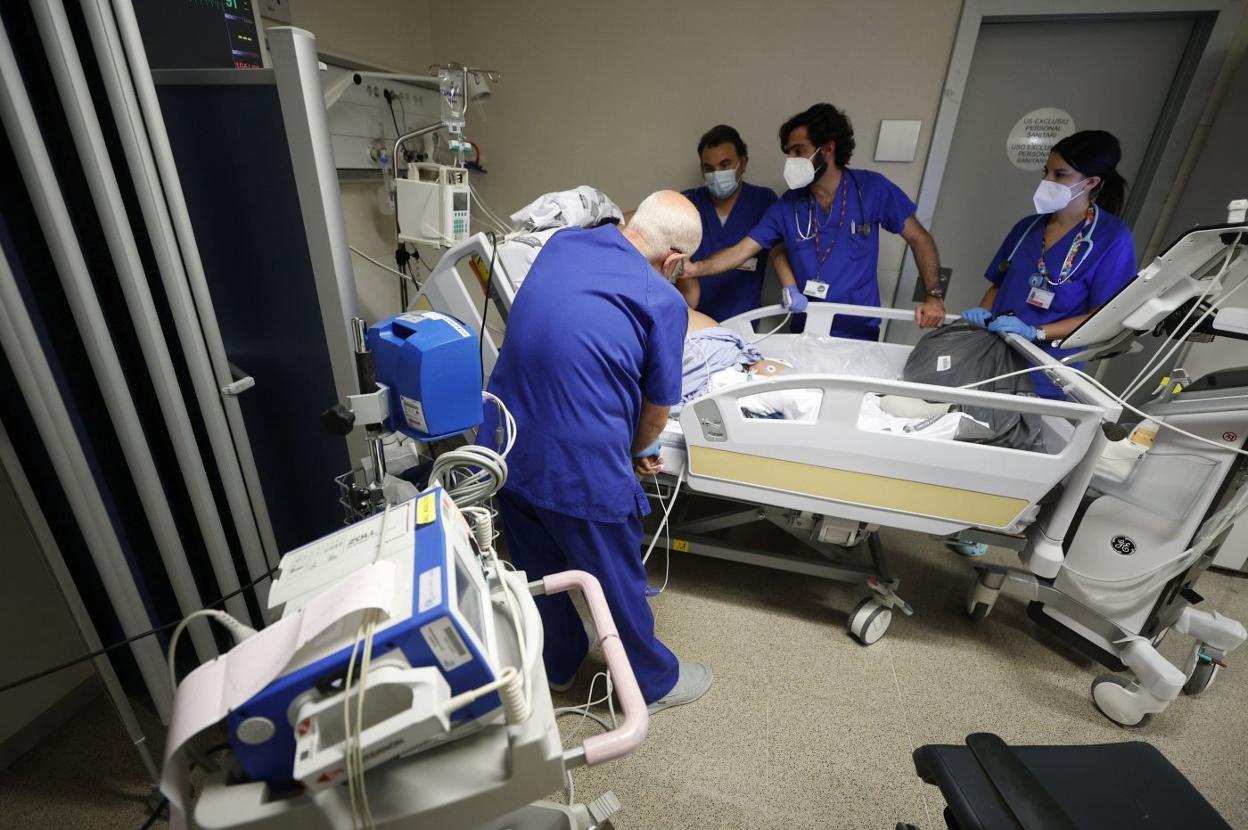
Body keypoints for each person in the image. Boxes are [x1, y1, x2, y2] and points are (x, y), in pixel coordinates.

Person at [480, 191, 712, 713]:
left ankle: (558, 663)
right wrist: (634, 451)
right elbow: (655, 415)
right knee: (613, 575)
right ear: (674, 261)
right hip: (576, 466)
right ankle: (651, 683)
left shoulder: (563, 243)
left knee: (537, 569)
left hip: (504, 443)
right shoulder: (664, 299)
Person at [681, 103, 946, 338]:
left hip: (859, 330)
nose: (791, 160)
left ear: (828, 149)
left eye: (799, 151)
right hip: (804, 326)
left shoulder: (872, 190)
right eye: (788, 152)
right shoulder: (788, 205)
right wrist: (697, 268)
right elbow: (742, 250)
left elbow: (919, 238)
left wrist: (933, 296)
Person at [960, 130, 1137, 400]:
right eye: (1046, 172)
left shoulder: (1111, 238)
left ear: (1091, 182)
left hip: (1045, 371)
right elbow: (999, 284)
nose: (1046, 181)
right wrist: (983, 313)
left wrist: (1035, 332)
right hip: (991, 357)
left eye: (1059, 174)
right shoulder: (1027, 227)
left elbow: (1102, 316)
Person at [675, 125, 779, 319]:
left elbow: (780, 251)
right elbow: (648, 219)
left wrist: (790, 287)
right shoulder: (688, 202)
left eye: (724, 165)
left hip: (745, 320)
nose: (717, 174)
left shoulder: (763, 201)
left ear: (743, 163)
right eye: (709, 168)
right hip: (697, 320)